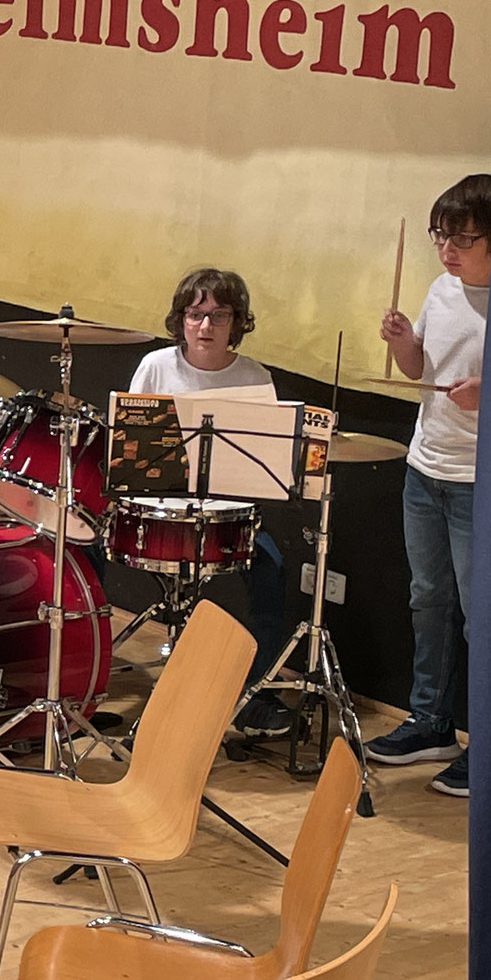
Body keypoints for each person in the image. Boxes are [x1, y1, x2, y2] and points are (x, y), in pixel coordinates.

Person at [366, 173, 491, 799]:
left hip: (483, 481)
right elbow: (421, 370)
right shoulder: (442, 289)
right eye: (440, 236)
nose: (447, 250)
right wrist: (402, 344)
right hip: (426, 467)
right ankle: (430, 723)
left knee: (482, 619)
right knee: (428, 603)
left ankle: (488, 747)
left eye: (463, 238)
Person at [125, 267, 293, 736]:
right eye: (196, 315)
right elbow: (133, 451)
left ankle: (255, 695)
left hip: (227, 513)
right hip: (161, 509)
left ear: (236, 323)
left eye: (218, 316)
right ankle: (88, 680)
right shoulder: (156, 367)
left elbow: (263, 468)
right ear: (180, 319)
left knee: (272, 569)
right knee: (88, 550)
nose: (205, 327)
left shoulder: (255, 377)